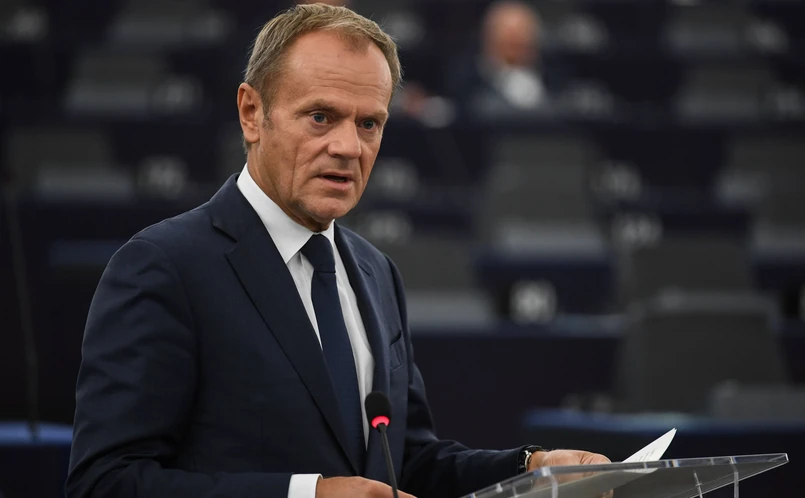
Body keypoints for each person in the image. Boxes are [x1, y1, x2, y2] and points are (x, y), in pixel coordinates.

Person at [65, 4, 608, 498]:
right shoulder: (163, 266)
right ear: (252, 113)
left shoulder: (376, 272)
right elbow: (104, 483)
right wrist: (308, 495)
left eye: (369, 123)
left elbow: (405, 465)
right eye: (321, 117)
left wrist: (533, 469)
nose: (348, 147)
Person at [446, 1, 558, 117]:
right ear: (489, 40)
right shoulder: (467, 84)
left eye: (521, 38)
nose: (516, 43)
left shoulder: (555, 79)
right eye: (509, 41)